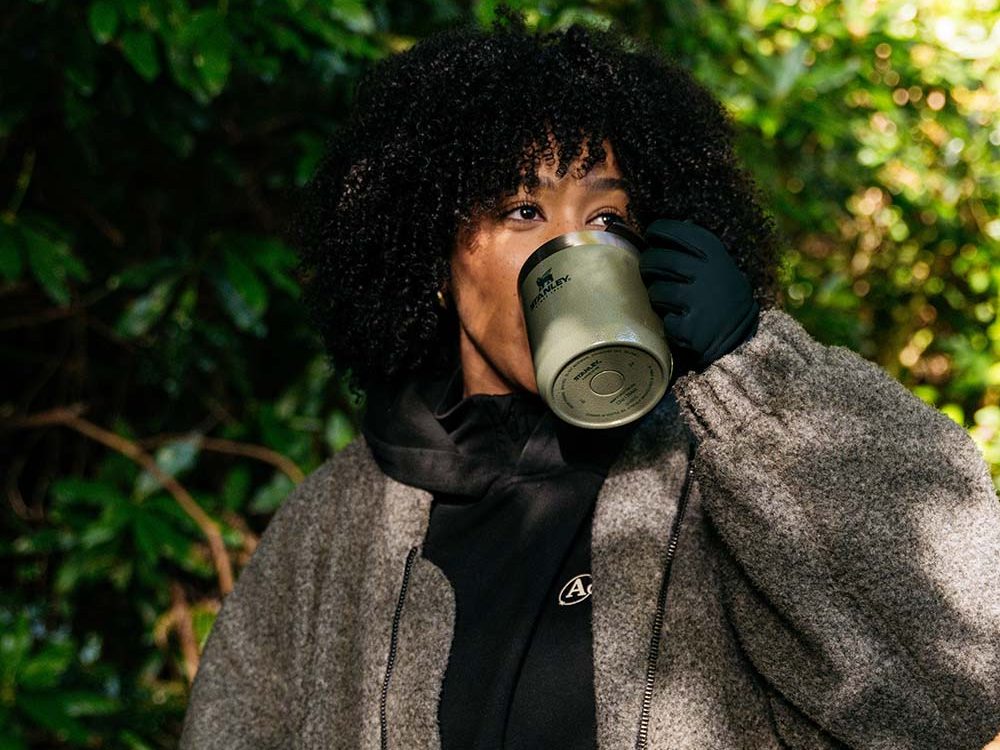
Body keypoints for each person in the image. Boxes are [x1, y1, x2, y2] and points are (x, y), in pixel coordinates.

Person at [179, 9, 1000, 749]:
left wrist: (756, 372)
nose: (574, 246)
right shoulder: (334, 523)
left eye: (608, 218)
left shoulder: (724, 469)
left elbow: (958, 676)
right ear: (432, 259)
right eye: (523, 211)